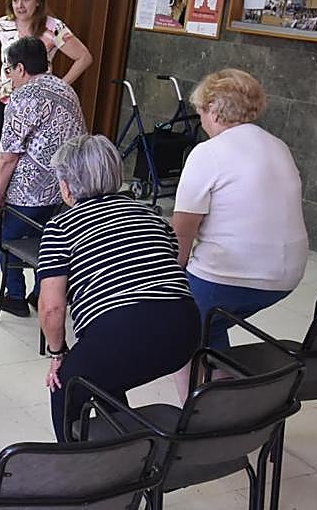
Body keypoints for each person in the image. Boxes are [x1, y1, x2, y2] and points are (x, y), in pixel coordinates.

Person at [36, 135, 198, 439]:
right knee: (106, 370)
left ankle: (75, 463)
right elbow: (173, 263)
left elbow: (51, 308)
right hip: (183, 333)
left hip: (120, 331)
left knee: (65, 385)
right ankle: (123, 443)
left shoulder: (61, 228)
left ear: (67, 187)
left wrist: (57, 354)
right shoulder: (150, 215)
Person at [172, 69, 307, 397]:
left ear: (214, 110)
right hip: (287, 275)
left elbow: (183, 232)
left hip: (234, 275)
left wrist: (173, 280)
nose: (201, 119)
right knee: (210, 320)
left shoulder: (208, 153)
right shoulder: (277, 145)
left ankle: (201, 416)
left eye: (201, 111)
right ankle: (224, 384)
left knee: (178, 328)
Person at [0, 0, 93, 239]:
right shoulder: (3, 25)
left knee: (40, 158)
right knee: (3, 157)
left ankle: (41, 216)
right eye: (15, 0)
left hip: (41, 105)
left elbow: (84, 57)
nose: (20, 5)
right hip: (8, 100)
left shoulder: (53, 27)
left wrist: (58, 86)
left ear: (38, 1)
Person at [0, 36, 87, 318]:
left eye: (9, 70)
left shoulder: (22, 97)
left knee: (5, 236)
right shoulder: (65, 88)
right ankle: (40, 293)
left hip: (29, 193)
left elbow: (8, 156)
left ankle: (15, 296)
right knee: (49, 242)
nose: (9, 76)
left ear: (20, 68)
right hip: (67, 190)